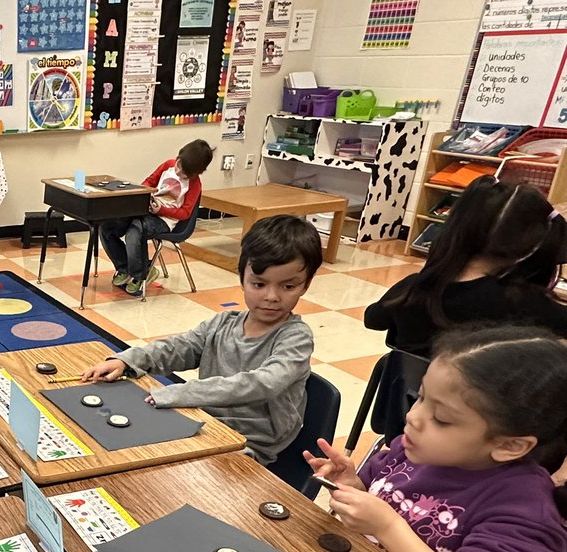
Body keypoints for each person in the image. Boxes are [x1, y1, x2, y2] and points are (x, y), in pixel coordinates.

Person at [306, 325, 567, 552]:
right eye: (421, 397)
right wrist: (351, 486)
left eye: (441, 418)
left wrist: (388, 527)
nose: (414, 418)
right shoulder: (413, 449)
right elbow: (384, 501)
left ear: (509, 445)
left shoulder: (525, 510)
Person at [82, 214, 322, 464]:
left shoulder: (296, 337)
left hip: (250, 445)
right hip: (203, 424)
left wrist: (183, 392)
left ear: (305, 285)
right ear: (242, 278)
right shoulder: (222, 324)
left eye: (288, 287)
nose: (272, 296)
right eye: (259, 284)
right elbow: (179, 347)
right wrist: (128, 361)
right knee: (119, 444)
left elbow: (262, 383)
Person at [364, 177, 567, 357]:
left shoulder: (416, 287)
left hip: (406, 398)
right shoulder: (525, 302)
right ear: (530, 246)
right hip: (482, 399)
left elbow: (373, 319)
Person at [101, 139, 214, 297]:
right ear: (178, 158)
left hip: (164, 220)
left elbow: (185, 213)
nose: (179, 172)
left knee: (135, 229)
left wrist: (161, 209)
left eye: (185, 174)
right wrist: (145, 195)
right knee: (107, 227)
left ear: (195, 174)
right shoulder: (168, 165)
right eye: (179, 166)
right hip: (146, 210)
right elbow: (149, 181)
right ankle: (124, 268)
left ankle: (141, 274)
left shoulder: (195, 184)